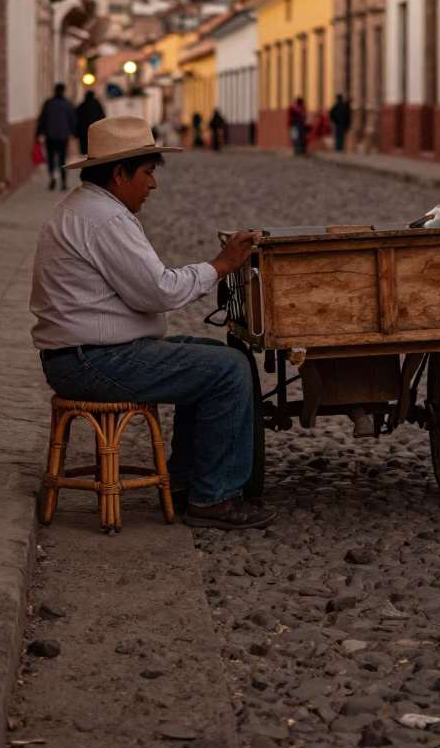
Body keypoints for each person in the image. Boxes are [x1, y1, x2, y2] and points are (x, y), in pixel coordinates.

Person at [30, 115, 275, 531]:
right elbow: (158, 291)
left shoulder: (90, 208)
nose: (153, 184)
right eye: (147, 173)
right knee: (228, 370)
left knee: (216, 354)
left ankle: (186, 481)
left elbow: (145, 289)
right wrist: (219, 266)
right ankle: (215, 497)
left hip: (88, 354)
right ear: (120, 173)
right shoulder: (104, 219)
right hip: (90, 362)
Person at [36, 83, 76, 191]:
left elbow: (42, 119)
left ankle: (53, 177)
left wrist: (39, 132)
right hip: (62, 136)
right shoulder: (67, 104)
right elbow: (71, 119)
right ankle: (63, 181)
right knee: (62, 159)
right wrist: (73, 132)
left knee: (51, 159)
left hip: (50, 135)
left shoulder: (49, 103)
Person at [75, 89, 105, 156]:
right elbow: (102, 116)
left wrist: (76, 132)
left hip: (84, 132)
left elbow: (77, 119)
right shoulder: (97, 105)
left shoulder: (82, 106)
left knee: (85, 150)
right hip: (95, 130)